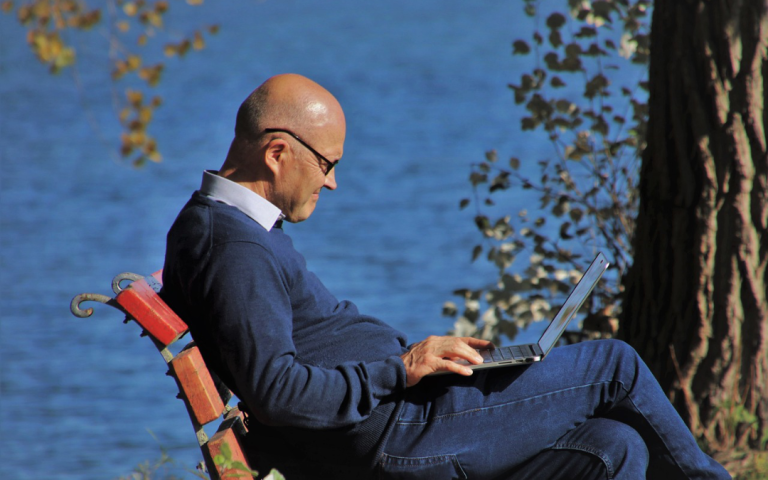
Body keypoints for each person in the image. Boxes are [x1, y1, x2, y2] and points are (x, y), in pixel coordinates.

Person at [161, 73, 730, 479]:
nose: (331, 182)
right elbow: (278, 392)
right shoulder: (233, 246)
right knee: (615, 366)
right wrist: (402, 368)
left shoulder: (225, 229)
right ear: (277, 153)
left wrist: (414, 367)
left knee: (613, 447)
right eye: (327, 164)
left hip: (400, 422)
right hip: (398, 432)